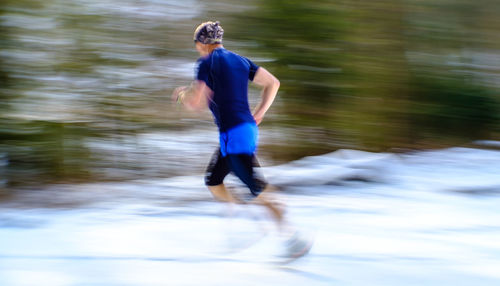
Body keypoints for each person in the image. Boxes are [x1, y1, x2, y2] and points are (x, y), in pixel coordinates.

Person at [172, 21, 311, 259]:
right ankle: (250, 214)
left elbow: (197, 103)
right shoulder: (241, 61)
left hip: (236, 135)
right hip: (237, 133)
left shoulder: (205, 63)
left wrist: (182, 96)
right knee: (213, 180)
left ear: (202, 43)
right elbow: (273, 83)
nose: (197, 49)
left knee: (258, 189)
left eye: (197, 44)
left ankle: (293, 238)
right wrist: (260, 112)